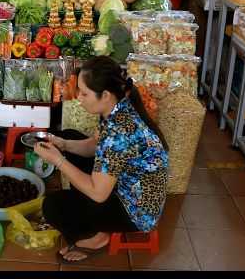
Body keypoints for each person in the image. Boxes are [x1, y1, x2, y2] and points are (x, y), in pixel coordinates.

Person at [33, 56, 169, 263]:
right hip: (125, 184)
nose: (79, 98)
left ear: (105, 95)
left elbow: (98, 193)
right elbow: (94, 146)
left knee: (53, 206)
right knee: (69, 136)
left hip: (135, 211)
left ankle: (95, 238)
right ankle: (89, 213)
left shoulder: (119, 132)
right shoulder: (117, 106)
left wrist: (58, 161)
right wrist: (63, 145)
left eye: (84, 93)